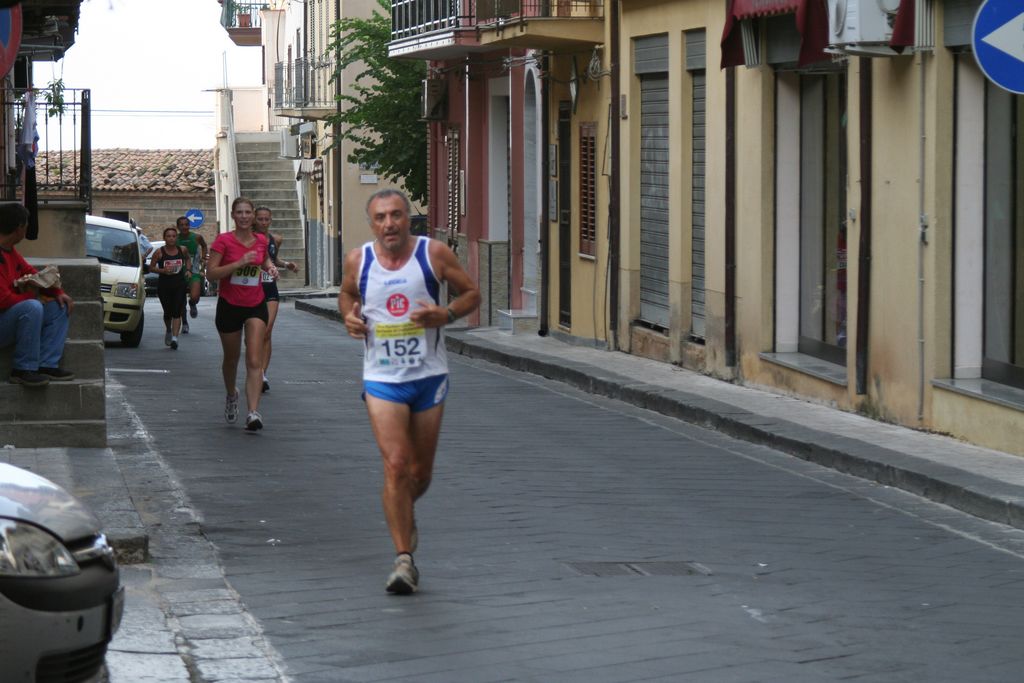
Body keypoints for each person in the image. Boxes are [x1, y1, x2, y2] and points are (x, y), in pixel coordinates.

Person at [339, 188, 480, 594]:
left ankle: (404, 510)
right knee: (396, 464)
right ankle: (404, 560)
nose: (389, 224)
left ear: (407, 219)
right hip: (382, 378)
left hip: (429, 375)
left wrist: (446, 313)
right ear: (372, 224)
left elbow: (472, 293)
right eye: (381, 217)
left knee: (420, 473)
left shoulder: (433, 254)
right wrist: (349, 316)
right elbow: (348, 294)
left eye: (396, 215)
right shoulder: (358, 260)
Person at [206, 197, 277, 431]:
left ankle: (253, 412)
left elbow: (263, 259)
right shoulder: (223, 241)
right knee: (231, 358)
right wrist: (237, 264)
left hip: (255, 304)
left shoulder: (261, 240)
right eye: (240, 212)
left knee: (254, 359)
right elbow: (211, 274)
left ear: (253, 215)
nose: (244, 216)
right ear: (233, 216)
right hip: (229, 305)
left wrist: (270, 267)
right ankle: (231, 394)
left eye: (248, 212)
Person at [0, 202, 75, 387]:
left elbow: (32, 274)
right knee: (32, 307)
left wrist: (57, 292)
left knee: (59, 306)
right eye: (26, 224)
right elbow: (3, 300)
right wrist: (33, 298)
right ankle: (22, 369)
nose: (27, 228)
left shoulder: (10, 251)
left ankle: (47, 364)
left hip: (8, 319)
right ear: (19, 227)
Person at [253, 206, 298, 393]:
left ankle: (262, 374)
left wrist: (287, 264)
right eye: (260, 219)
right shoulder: (249, 239)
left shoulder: (275, 239)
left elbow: (273, 259)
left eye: (267, 219)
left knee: (267, 331)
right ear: (254, 220)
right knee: (255, 334)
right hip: (252, 290)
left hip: (270, 288)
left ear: (270, 220)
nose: (264, 222)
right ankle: (255, 369)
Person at [149, 226, 191, 350]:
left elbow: (188, 259)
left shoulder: (182, 249)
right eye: (168, 236)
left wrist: (188, 270)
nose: (171, 238)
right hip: (165, 285)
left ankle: (175, 338)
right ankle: (168, 329)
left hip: (179, 284)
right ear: (164, 238)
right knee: (168, 312)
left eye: (173, 236)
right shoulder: (159, 252)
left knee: (177, 310)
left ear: (176, 238)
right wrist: (163, 270)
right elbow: (151, 268)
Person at [174, 216, 208, 332]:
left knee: (195, 296)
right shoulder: (175, 239)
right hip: (179, 272)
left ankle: (192, 303)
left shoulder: (197, 237)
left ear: (189, 225)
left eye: (186, 224)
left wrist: (203, 258)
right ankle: (184, 323)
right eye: (181, 225)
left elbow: (204, 246)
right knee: (181, 300)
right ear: (178, 227)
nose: (184, 227)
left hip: (194, 270)